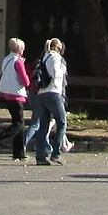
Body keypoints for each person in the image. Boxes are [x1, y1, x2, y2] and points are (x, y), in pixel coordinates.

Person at [32, 36, 69, 165]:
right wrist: (62, 69)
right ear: (59, 48)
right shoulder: (55, 58)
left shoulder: (44, 57)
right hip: (53, 93)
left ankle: (40, 156)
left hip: (41, 94)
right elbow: (55, 74)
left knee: (43, 125)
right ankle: (56, 153)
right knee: (62, 122)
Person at [0, 38, 30, 159]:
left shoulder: (6, 59)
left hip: (5, 93)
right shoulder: (18, 61)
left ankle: (19, 152)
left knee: (17, 122)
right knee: (19, 124)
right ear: (19, 49)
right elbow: (25, 81)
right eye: (23, 48)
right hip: (15, 95)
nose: (24, 50)